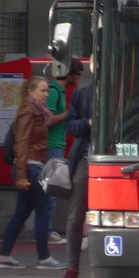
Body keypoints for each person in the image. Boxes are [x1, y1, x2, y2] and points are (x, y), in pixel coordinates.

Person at [0, 76, 63, 269]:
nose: (46, 94)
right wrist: (22, 174)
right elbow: (22, 143)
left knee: (21, 212)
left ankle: (4, 255)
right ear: (30, 91)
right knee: (43, 209)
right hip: (29, 167)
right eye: (42, 91)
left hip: (31, 166)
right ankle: (44, 258)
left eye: (47, 91)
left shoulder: (37, 111)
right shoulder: (28, 111)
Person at [59, 70, 92, 278]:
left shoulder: (124, 92)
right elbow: (71, 126)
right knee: (75, 218)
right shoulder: (80, 94)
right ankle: (72, 268)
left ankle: (114, 272)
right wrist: (89, 123)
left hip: (116, 158)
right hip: (85, 158)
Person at [44, 59, 79, 246]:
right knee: (52, 189)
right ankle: (47, 231)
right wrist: (69, 114)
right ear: (71, 75)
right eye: (78, 75)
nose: (79, 80)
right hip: (52, 146)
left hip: (56, 145)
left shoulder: (58, 91)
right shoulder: (54, 92)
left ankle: (46, 230)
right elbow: (48, 121)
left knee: (51, 191)